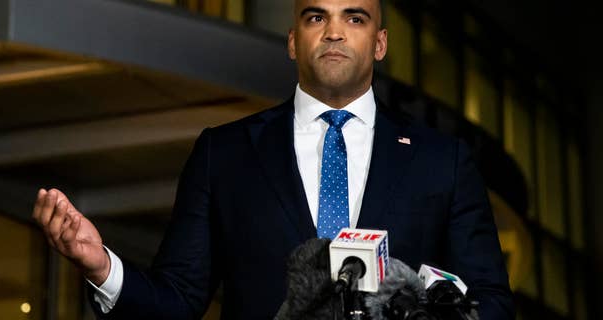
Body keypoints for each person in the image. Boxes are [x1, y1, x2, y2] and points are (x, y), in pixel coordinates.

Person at [32, 0, 514, 319]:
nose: (334, 33)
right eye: (315, 17)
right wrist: (102, 267)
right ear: (292, 41)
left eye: (355, 18)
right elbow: (177, 300)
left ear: (381, 44)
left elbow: (491, 303)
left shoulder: (443, 161)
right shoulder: (224, 153)